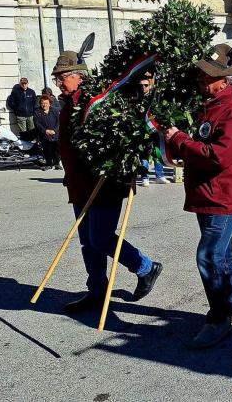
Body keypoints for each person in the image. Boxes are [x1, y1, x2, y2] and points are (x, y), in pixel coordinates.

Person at [52, 50, 162, 313]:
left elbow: (117, 135)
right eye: (56, 78)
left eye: (62, 77)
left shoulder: (98, 101)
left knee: (100, 238)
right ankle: (97, 292)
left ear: (78, 76)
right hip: (79, 185)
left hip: (104, 183)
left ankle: (146, 267)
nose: (58, 82)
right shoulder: (69, 104)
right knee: (87, 243)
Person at [164, 43, 232, 348]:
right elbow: (193, 147)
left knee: (209, 256)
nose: (201, 81)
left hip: (224, 197)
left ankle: (220, 317)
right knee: (222, 255)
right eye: (201, 76)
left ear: (224, 81)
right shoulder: (206, 108)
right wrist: (175, 141)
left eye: (208, 77)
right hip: (207, 195)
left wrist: (181, 140)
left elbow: (218, 157)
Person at [138, 75, 170, 186]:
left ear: (150, 86)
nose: (143, 88)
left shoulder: (154, 98)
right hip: (142, 130)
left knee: (157, 151)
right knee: (144, 154)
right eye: (141, 86)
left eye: (146, 85)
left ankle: (160, 175)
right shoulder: (137, 99)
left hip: (155, 129)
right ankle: (145, 177)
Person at [34, 95, 60, 170]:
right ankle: (49, 164)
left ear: (49, 103)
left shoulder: (55, 111)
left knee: (56, 150)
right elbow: (37, 124)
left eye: (46, 103)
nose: (44, 105)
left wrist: (54, 130)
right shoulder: (37, 112)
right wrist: (45, 131)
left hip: (55, 134)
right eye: (42, 103)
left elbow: (59, 122)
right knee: (47, 149)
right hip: (44, 134)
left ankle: (57, 163)